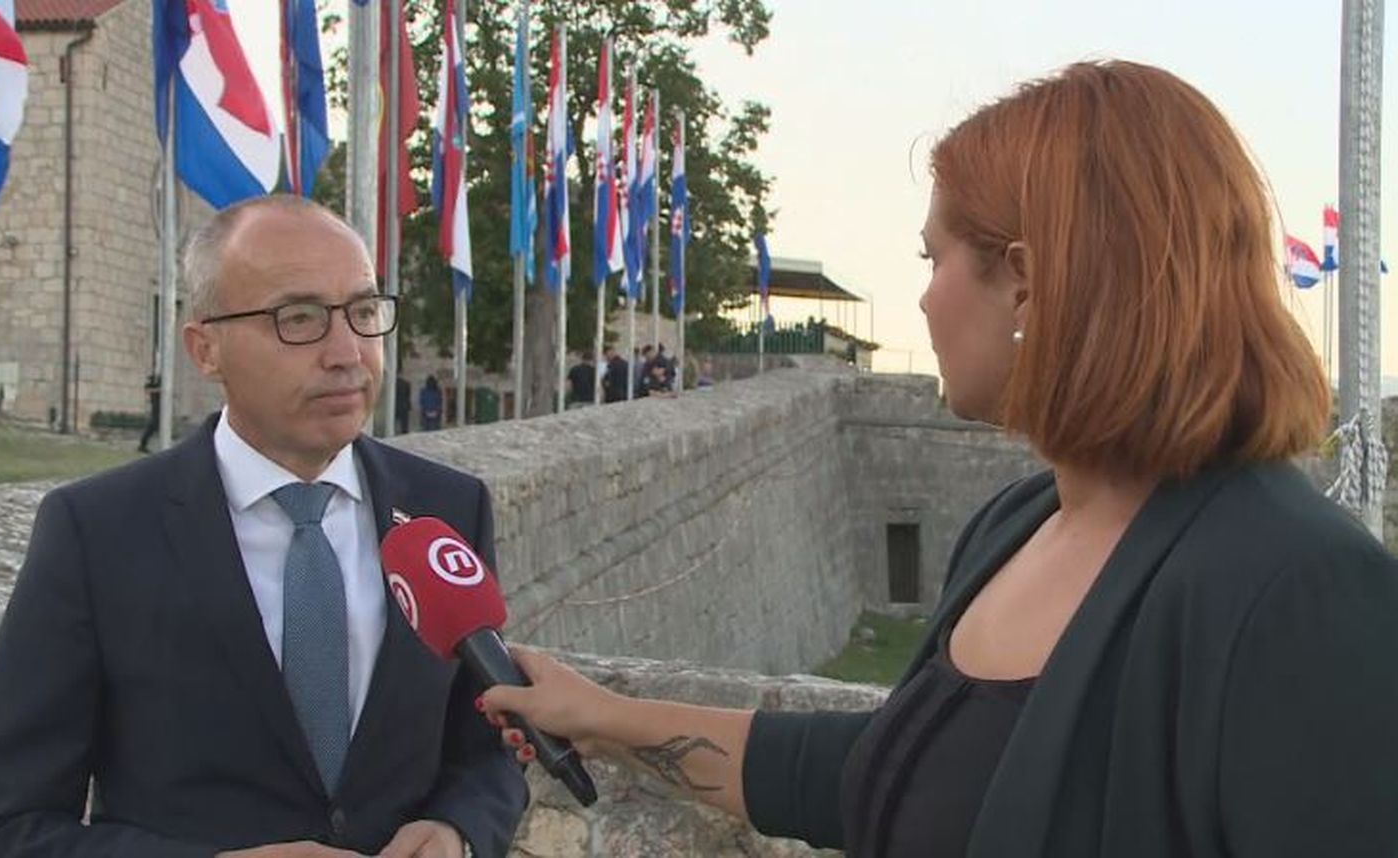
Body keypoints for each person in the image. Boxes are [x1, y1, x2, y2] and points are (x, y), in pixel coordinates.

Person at [480, 61, 1398, 858]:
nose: (922, 301)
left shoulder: (1294, 589)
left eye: (932, 259)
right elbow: (892, 773)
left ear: (1026, 281)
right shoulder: (1018, 524)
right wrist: (606, 717)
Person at [0, 195, 526, 857]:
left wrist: (458, 832)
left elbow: (488, 748)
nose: (347, 352)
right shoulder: (97, 533)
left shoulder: (447, 508)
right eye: (298, 318)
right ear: (206, 348)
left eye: (363, 313)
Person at [138, 373, 162, 453]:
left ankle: (146, 444)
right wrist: (160, 390)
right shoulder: (152, 381)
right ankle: (143, 445)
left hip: (163, 405)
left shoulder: (162, 379)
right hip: (156, 405)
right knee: (153, 424)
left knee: (156, 425)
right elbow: (147, 390)